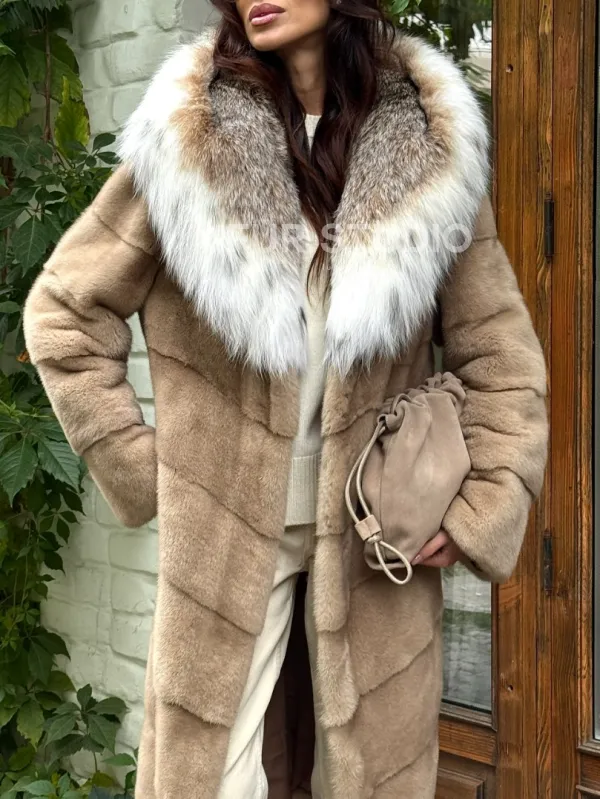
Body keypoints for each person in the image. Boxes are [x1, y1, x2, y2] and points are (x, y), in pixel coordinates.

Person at [23, 0, 548, 796]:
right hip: (228, 539)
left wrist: (483, 504)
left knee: (365, 778)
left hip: (376, 538)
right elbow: (65, 311)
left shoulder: (429, 149)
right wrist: (148, 469)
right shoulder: (188, 138)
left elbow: (501, 356)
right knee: (211, 779)